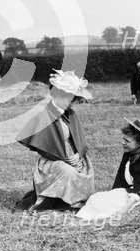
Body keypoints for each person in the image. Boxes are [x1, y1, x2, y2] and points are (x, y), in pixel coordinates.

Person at [15, 70, 95, 213]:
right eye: (70, 99)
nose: (72, 104)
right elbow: (43, 147)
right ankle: (53, 201)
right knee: (68, 172)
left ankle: (74, 200)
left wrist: (78, 155)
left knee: (86, 169)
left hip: (73, 157)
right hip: (52, 161)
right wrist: (65, 160)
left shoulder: (70, 113)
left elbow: (77, 138)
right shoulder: (44, 114)